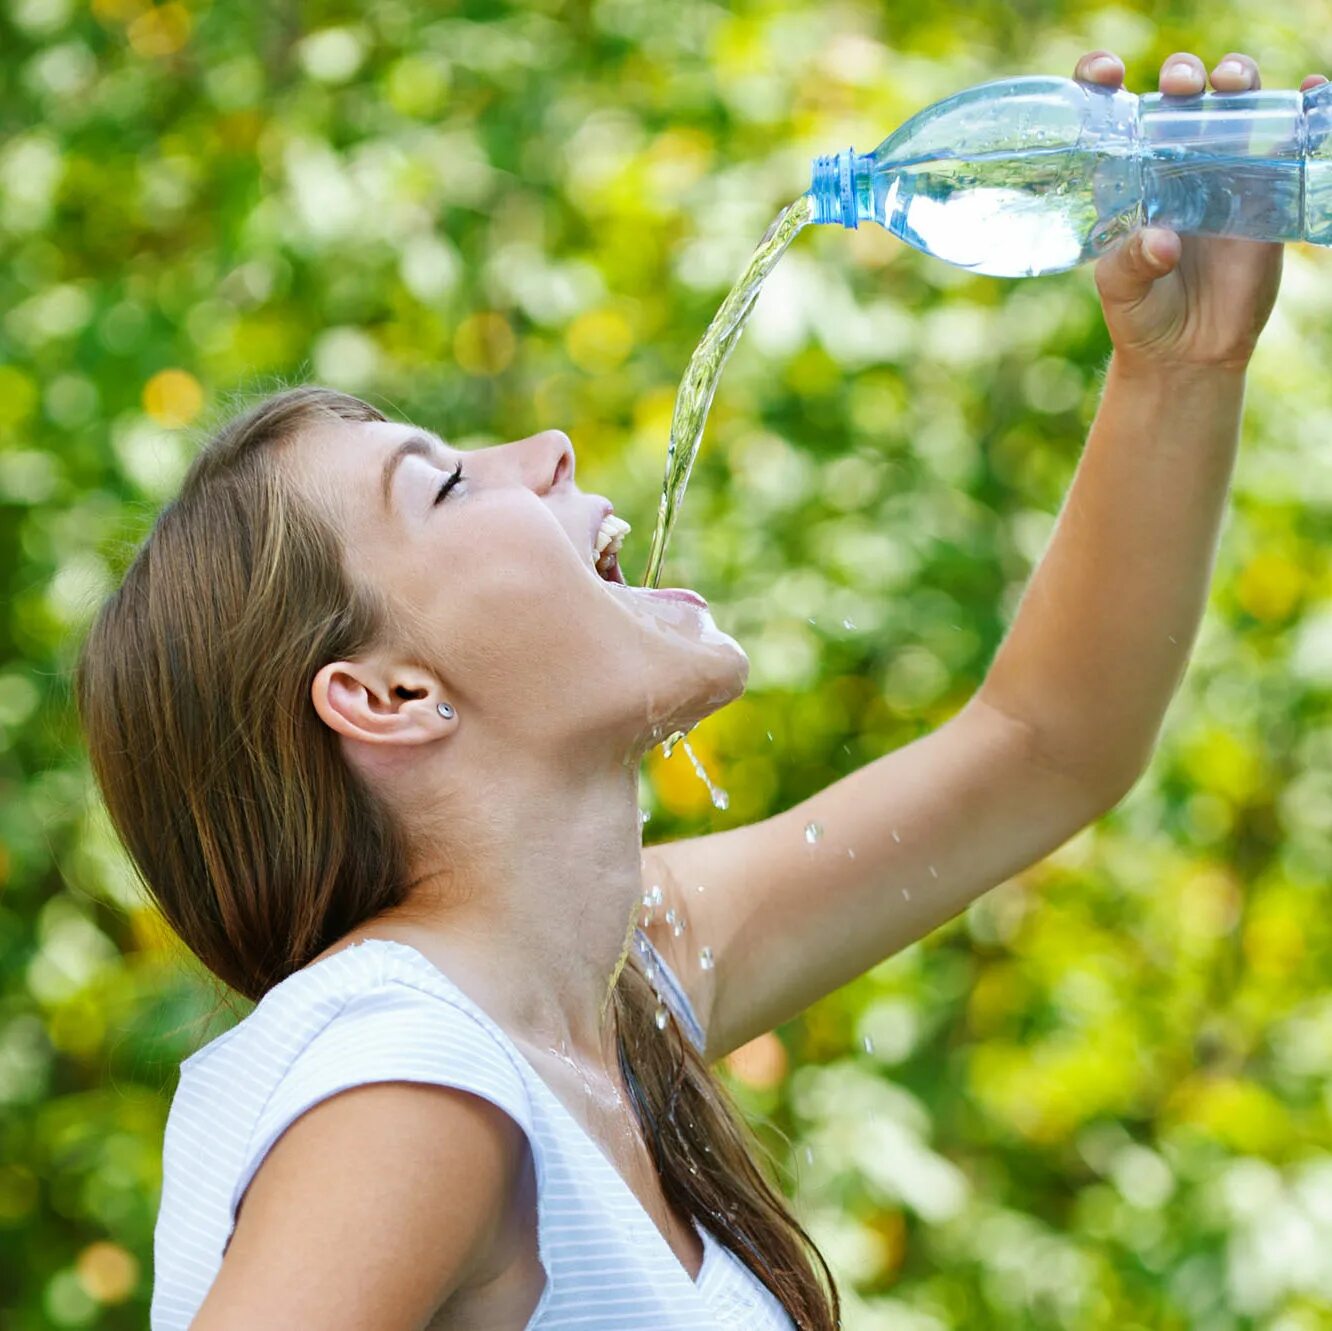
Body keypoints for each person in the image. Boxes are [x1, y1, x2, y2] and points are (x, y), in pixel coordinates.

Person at [74, 45, 1320, 1331]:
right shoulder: (406, 1083)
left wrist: (1181, 369)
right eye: (443, 482)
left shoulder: (612, 987)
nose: (547, 448)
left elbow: (1046, 746)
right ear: (387, 697)